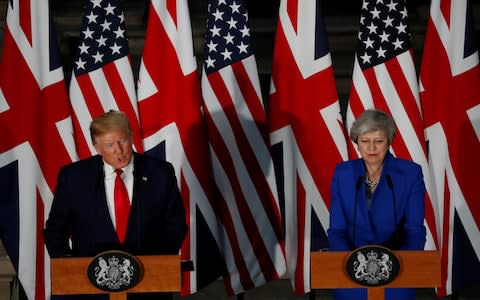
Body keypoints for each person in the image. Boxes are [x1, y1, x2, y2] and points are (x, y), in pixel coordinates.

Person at [44, 110, 187, 299]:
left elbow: (175, 225)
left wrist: (158, 263)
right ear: (97, 147)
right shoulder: (74, 177)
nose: (119, 150)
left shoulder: (160, 173)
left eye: (123, 141)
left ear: (131, 136)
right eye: (110, 145)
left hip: (148, 286)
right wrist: (68, 264)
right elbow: (55, 229)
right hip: (88, 290)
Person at [327, 109, 426, 300]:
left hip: (397, 272)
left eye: (378, 141)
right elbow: (337, 231)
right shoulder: (343, 174)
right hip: (352, 272)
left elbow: (415, 230)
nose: (371, 147)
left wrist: (398, 267)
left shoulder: (410, 173)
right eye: (365, 141)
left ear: (389, 142)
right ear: (357, 143)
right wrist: (352, 266)